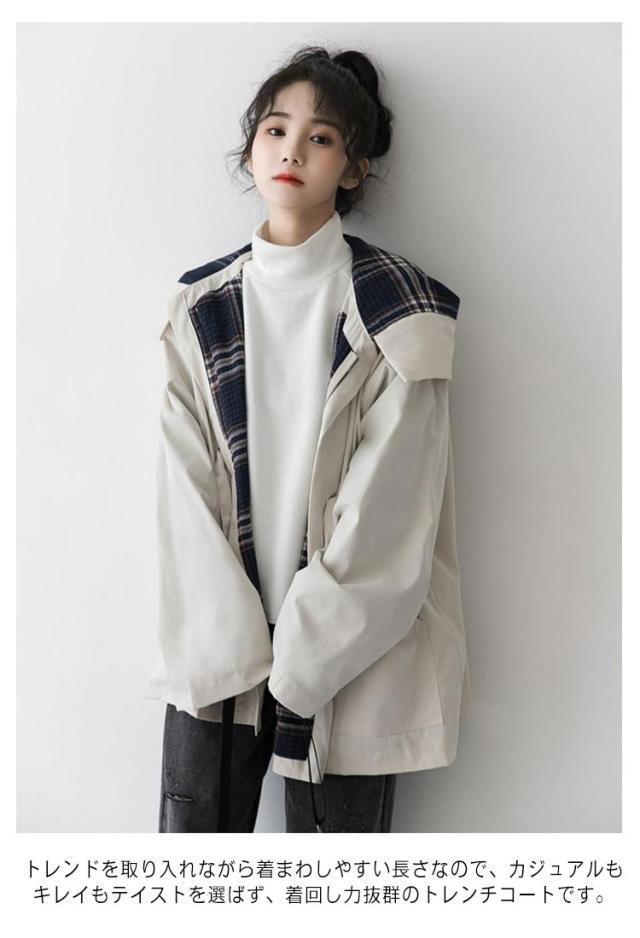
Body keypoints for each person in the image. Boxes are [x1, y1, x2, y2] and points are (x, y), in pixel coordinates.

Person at [145, 44, 472, 833]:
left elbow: (393, 514)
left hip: (351, 656)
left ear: (354, 168)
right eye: (275, 129)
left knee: (335, 886)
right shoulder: (199, 306)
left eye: (321, 137)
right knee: (189, 880)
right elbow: (181, 491)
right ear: (250, 149)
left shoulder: (402, 309)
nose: (292, 149)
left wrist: (300, 663)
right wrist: (230, 646)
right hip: (217, 652)